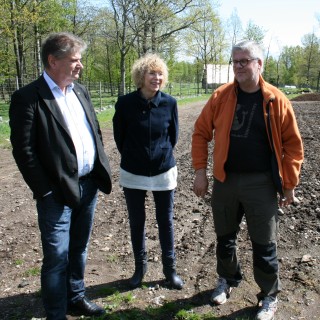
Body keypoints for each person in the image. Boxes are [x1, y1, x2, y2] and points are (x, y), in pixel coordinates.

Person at [191, 40, 303, 320]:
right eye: (235, 61)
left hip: (262, 184)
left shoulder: (276, 100)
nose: (238, 66)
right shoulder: (220, 97)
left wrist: (288, 184)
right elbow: (200, 133)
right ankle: (227, 280)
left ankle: (269, 296)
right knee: (224, 238)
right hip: (225, 181)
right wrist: (200, 172)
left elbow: (293, 146)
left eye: (245, 61)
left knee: (265, 244)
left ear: (259, 64)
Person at [9, 32, 112, 320]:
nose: (80, 66)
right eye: (74, 60)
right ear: (53, 61)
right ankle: (56, 313)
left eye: (80, 60)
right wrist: (45, 191)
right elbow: (24, 151)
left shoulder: (81, 92)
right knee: (56, 257)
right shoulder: (28, 97)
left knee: (79, 248)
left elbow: (95, 130)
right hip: (55, 193)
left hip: (88, 185)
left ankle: (76, 297)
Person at [112, 53, 184, 290]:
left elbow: (172, 136)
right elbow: (119, 137)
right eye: (151, 73)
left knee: (166, 221)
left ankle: (169, 270)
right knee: (137, 221)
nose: (157, 77)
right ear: (140, 76)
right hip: (133, 172)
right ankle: (139, 269)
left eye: (160, 73)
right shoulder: (124, 104)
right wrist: (136, 156)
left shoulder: (170, 103)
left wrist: (159, 154)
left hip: (163, 171)